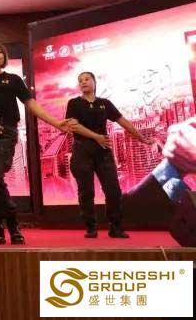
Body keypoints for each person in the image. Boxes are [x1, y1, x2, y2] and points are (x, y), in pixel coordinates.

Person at [0, 41, 74, 245]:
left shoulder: (13, 80)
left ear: (4, 57)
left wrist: (56, 123)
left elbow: (31, 104)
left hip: (5, 132)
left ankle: (12, 223)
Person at [66, 71, 156, 238]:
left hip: (103, 151)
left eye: (87, 79)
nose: (83, 82)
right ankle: (91, 227)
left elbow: (123, 121)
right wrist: (96, 137)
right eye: (80, 80)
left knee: (113, 190)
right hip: (82, 150)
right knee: (86, 191)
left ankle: (115, 227)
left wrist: (142, 138)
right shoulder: (74, 103)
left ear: (94, 82)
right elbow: (73, 126)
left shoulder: (104, 103)